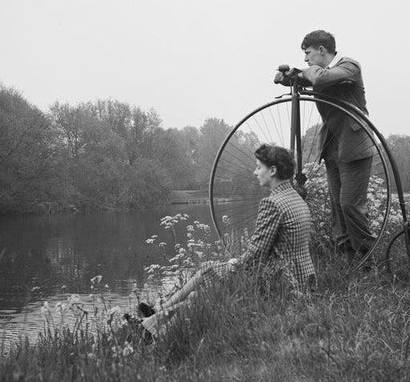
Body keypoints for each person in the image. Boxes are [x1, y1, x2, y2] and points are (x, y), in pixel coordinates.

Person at [138, 144, 315, 337]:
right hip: (304, 278)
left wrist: (234, 262)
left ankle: (153, 321)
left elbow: (255, 255)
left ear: (272, 171)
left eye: (258, 167)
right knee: (204, 284)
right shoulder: (296, 198)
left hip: (282, 283)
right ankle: (151, 323)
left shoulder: (272, 203)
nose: (254, 172)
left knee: (207, 272)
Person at [289, 29, 376, 260]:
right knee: (338, 206)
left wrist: (304, 72)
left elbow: (320, 78)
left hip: (355, 145)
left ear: (321, 50)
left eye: (308, 54)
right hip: (332, 146)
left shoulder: (350, 67)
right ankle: (346, 257)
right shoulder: (323, 71)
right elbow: (311, 78)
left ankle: (368, 259)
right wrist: (289, 77)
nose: (306, 59)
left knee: (350, 205)